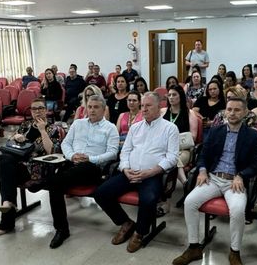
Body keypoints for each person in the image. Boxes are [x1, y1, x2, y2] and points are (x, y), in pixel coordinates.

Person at [173, 97, 257, 265]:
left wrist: (241, 175)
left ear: (245, 113)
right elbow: (203, 155)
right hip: (213, 178)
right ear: (225, 111)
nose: (232, 113)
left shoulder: (252, 135)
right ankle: (193, 247)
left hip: (234, 181)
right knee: (189, 202)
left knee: (237, 210)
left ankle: (235, 251)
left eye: (237, 110)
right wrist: (202, 170)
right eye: (229, 109)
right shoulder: (216, 131)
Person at [93, 93, 179, 253]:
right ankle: (126, 223)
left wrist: (152, 171)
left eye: (148, 106)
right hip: (130, 173)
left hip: (152, 175)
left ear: (159, 107)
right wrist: (125, 169)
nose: (144, 109)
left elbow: (173, 157)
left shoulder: (170, 128)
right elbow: (125, 152)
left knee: (148, 199)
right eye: (142, 106)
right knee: (100, 193)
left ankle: (140, 233)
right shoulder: (135, 127)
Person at [47, 95, 120, 248]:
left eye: (96, 107)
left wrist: (90, 158)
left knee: (55, 181)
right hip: (72, 163)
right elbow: (66, 144)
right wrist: (72, 155)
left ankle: (61, 229)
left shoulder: (110, 128)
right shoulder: (77, 124)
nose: (92, 110)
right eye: (90, 107)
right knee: (55, 184)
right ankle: (61, 229)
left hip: (93, 168)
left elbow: (113, 153)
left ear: (103, 109)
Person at [0, 97, 65, 236]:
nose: (37, 111)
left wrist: (43, 130)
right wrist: (16, 137)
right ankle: (8, 202)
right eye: (34, 109)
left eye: (40, 108)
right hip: (20, 166)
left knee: (6, 174)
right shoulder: (25, 125)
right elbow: (11, 142)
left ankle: (6, 220)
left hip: (40, 170)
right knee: (3, 160)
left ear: (46, 110)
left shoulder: (54, 128)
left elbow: (52, 151)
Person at [162, 86, 198, 186]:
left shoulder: (189, 113)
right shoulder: (163, 112)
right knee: (169, 157)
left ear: (181, 96)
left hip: (183, 150)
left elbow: (193, 137)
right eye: (169, 95)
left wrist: (172, 141)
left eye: (174, 95)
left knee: (173, 158)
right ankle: (186, 183)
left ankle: (183, 183)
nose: (171, 97)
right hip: (164, 149)